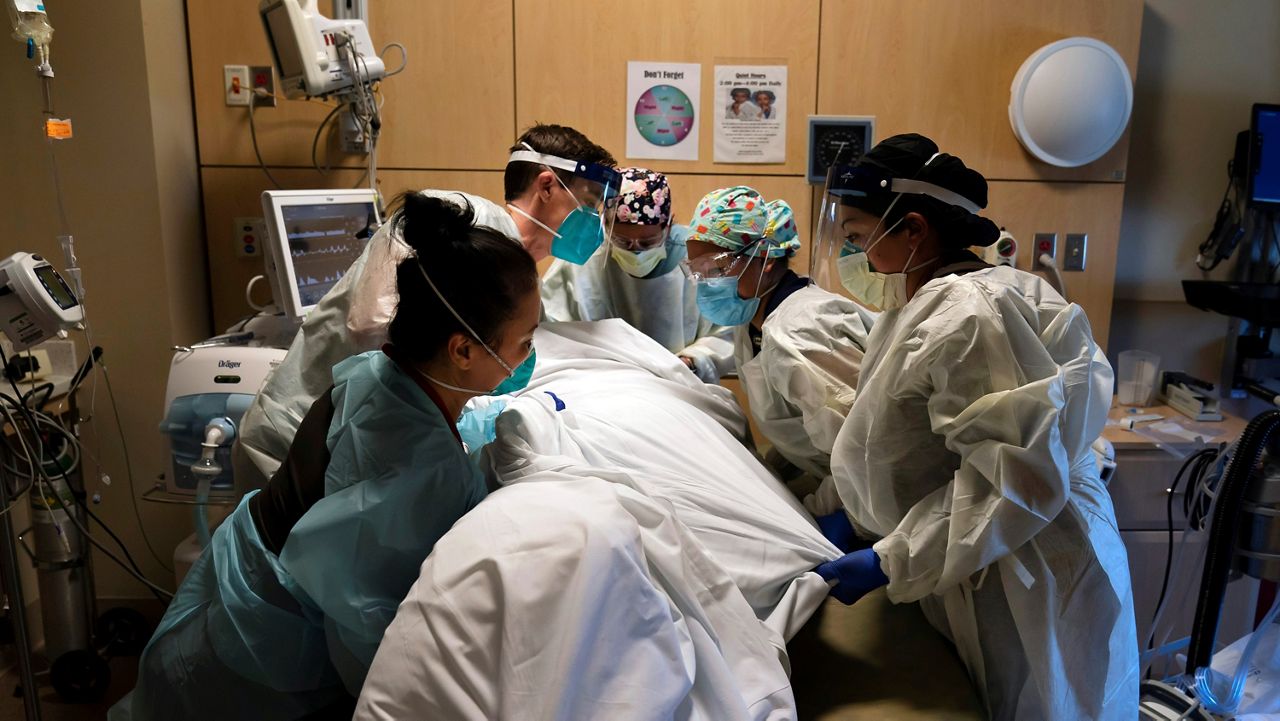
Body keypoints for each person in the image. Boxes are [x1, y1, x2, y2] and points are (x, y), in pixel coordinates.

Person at [114, 193, 541, 720]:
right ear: (462, 351)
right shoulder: (417, 465)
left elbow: (429, 432)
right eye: (525, 342)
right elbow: (364, 625)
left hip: (235, 588)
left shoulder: (380, 373)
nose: (529, 357)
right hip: (261, 649)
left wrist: (488, 424)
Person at [812, 134, 1138, 720]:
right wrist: (855, 508)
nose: (855, 256)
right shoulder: (932, 305)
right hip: (981, 551)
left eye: (860, 238)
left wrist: (894, 559)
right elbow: (897, 439)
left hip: (1021, 564)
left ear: (913, 229)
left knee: (1035, 702)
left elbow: (1017, 480)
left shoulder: (967, 315)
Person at [232, 124, 617, 490]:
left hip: (357, 454)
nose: (595, 221)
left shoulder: (516, 277)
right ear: (547, 185)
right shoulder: (453, 218)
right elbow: (371, 324)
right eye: (588, 203)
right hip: (294, 443)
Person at [682, 187, 875, 515]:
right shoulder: (754, 320)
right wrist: (767, 477)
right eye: (697, 271)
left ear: (766, 259)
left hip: (874, 498)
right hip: (845, 484)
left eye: (716, 269)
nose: (706, 283)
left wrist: (816, 517)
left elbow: (864, 453)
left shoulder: (803, 332)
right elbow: (798, 428)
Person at [541, 167, 734, 382]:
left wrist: (690, 362)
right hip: (602, 384)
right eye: (622, 242)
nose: (636, 251)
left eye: (647, 242)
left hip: (681, 384)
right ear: (606, 226)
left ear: (668, 227)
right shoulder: (582, 259)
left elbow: (727, 332)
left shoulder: (698, 258)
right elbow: (552, 328)